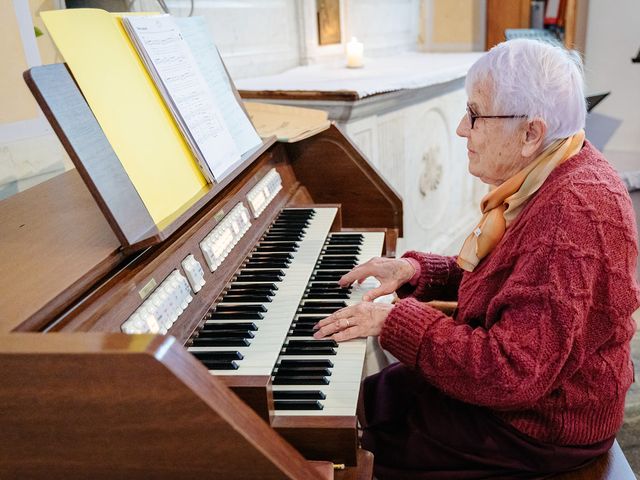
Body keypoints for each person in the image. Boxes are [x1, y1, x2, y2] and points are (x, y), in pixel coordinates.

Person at [313, 39, 640, 479]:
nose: (461, 129)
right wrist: (416, 270)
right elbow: (515, 279)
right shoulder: (562, 167)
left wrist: (392, 322)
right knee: (372, 396)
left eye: (475, 114)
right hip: (538, 396)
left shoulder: (570, 213)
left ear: (531, 134)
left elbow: (512, 371)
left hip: (542, 425)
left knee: (364, 444)